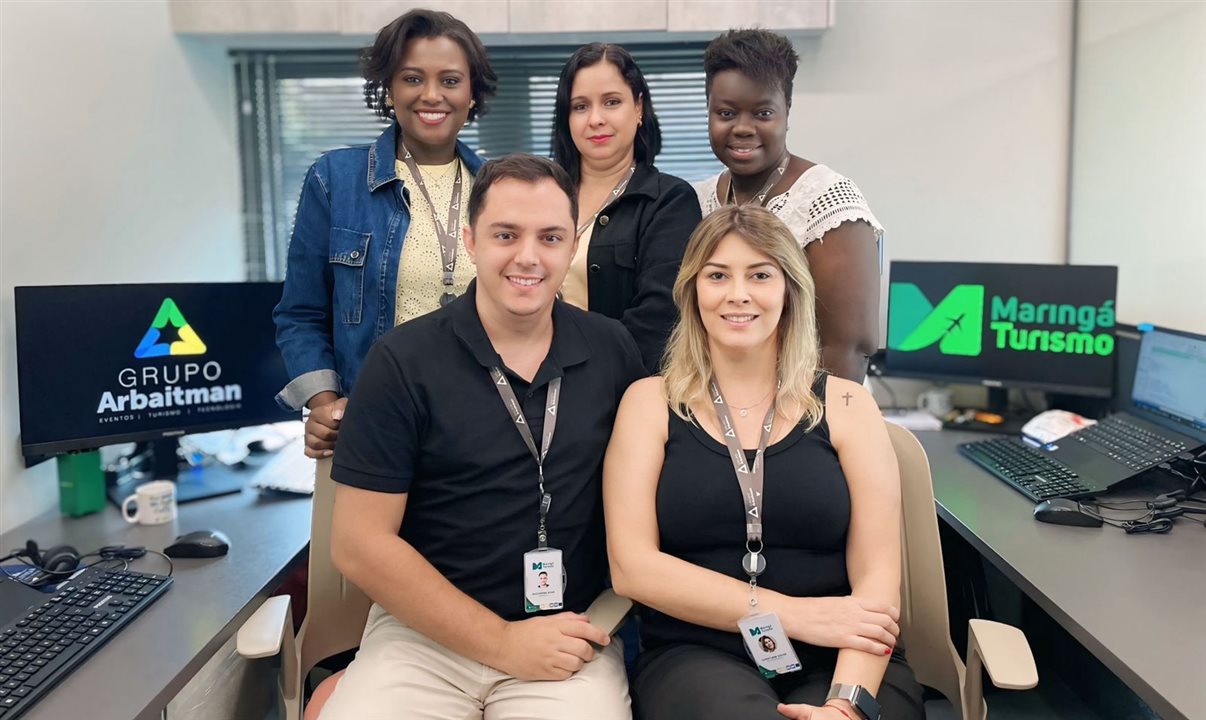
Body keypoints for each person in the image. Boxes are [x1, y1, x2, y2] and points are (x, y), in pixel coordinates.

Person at [319, 155, 645, 720]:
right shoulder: (401, 361)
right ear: (470, 241)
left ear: (572, 247)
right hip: (424, 636)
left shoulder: (613, 350)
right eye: (505, 235)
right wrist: (500, 642)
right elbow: (358, 543)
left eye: (550, 237)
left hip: (565, 634)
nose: (528, 256)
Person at [604, 205, 923, 720]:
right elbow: (632, 568)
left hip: (843, 652)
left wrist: (847, 704)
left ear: (790, 290)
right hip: (700, 652)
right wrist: (797, 616)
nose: (738, 294)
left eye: (760, 274)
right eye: (717, 275)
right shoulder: (649, 404)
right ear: (692, 292)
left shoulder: (847, 405)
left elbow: (877, 580)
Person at [273, 9, 498, 458]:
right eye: (412, 78)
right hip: (370, 423)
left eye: (450, 80)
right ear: (389, 90)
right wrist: (325, 406)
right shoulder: (335, 179)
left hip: (483, 430)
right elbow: (300, 315)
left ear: (472, 94)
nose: (431, 95)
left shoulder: (501, 188)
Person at [694, 29, 882, 382]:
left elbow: (849, 349)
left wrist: (809, 431)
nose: (743, 128)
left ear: (787, 112)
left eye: (763, 113)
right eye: (726, 113)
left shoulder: (827, 199)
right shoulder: (696, 199)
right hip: (717, 411)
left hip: (808, 419)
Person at [551, 43, 702, 372]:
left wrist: (581, 376)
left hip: (623, 389)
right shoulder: (543, 196)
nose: (596, 119)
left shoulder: (670, 201)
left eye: (612, 102)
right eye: (580, 106)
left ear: (638, 109)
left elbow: (658, 321)